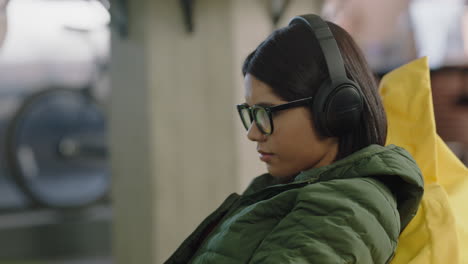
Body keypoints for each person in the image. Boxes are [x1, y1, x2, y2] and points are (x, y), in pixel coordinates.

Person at [165, 14, 424, 264]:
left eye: (265, 112)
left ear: (335, 109)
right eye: (251, 113)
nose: (253, 133)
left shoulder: (343, 211)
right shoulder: (293, 187)